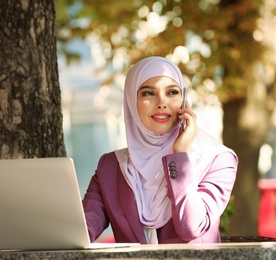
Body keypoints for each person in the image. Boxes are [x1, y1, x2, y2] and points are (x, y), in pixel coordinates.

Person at [82, 56, 238, 244]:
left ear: (184, 101)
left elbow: (191, 228)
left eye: (172, 92)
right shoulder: (112, 166)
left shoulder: (217, 160)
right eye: (148, 93)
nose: (161, 103)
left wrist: (179, 157)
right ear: (131, 102)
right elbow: (83, 230)